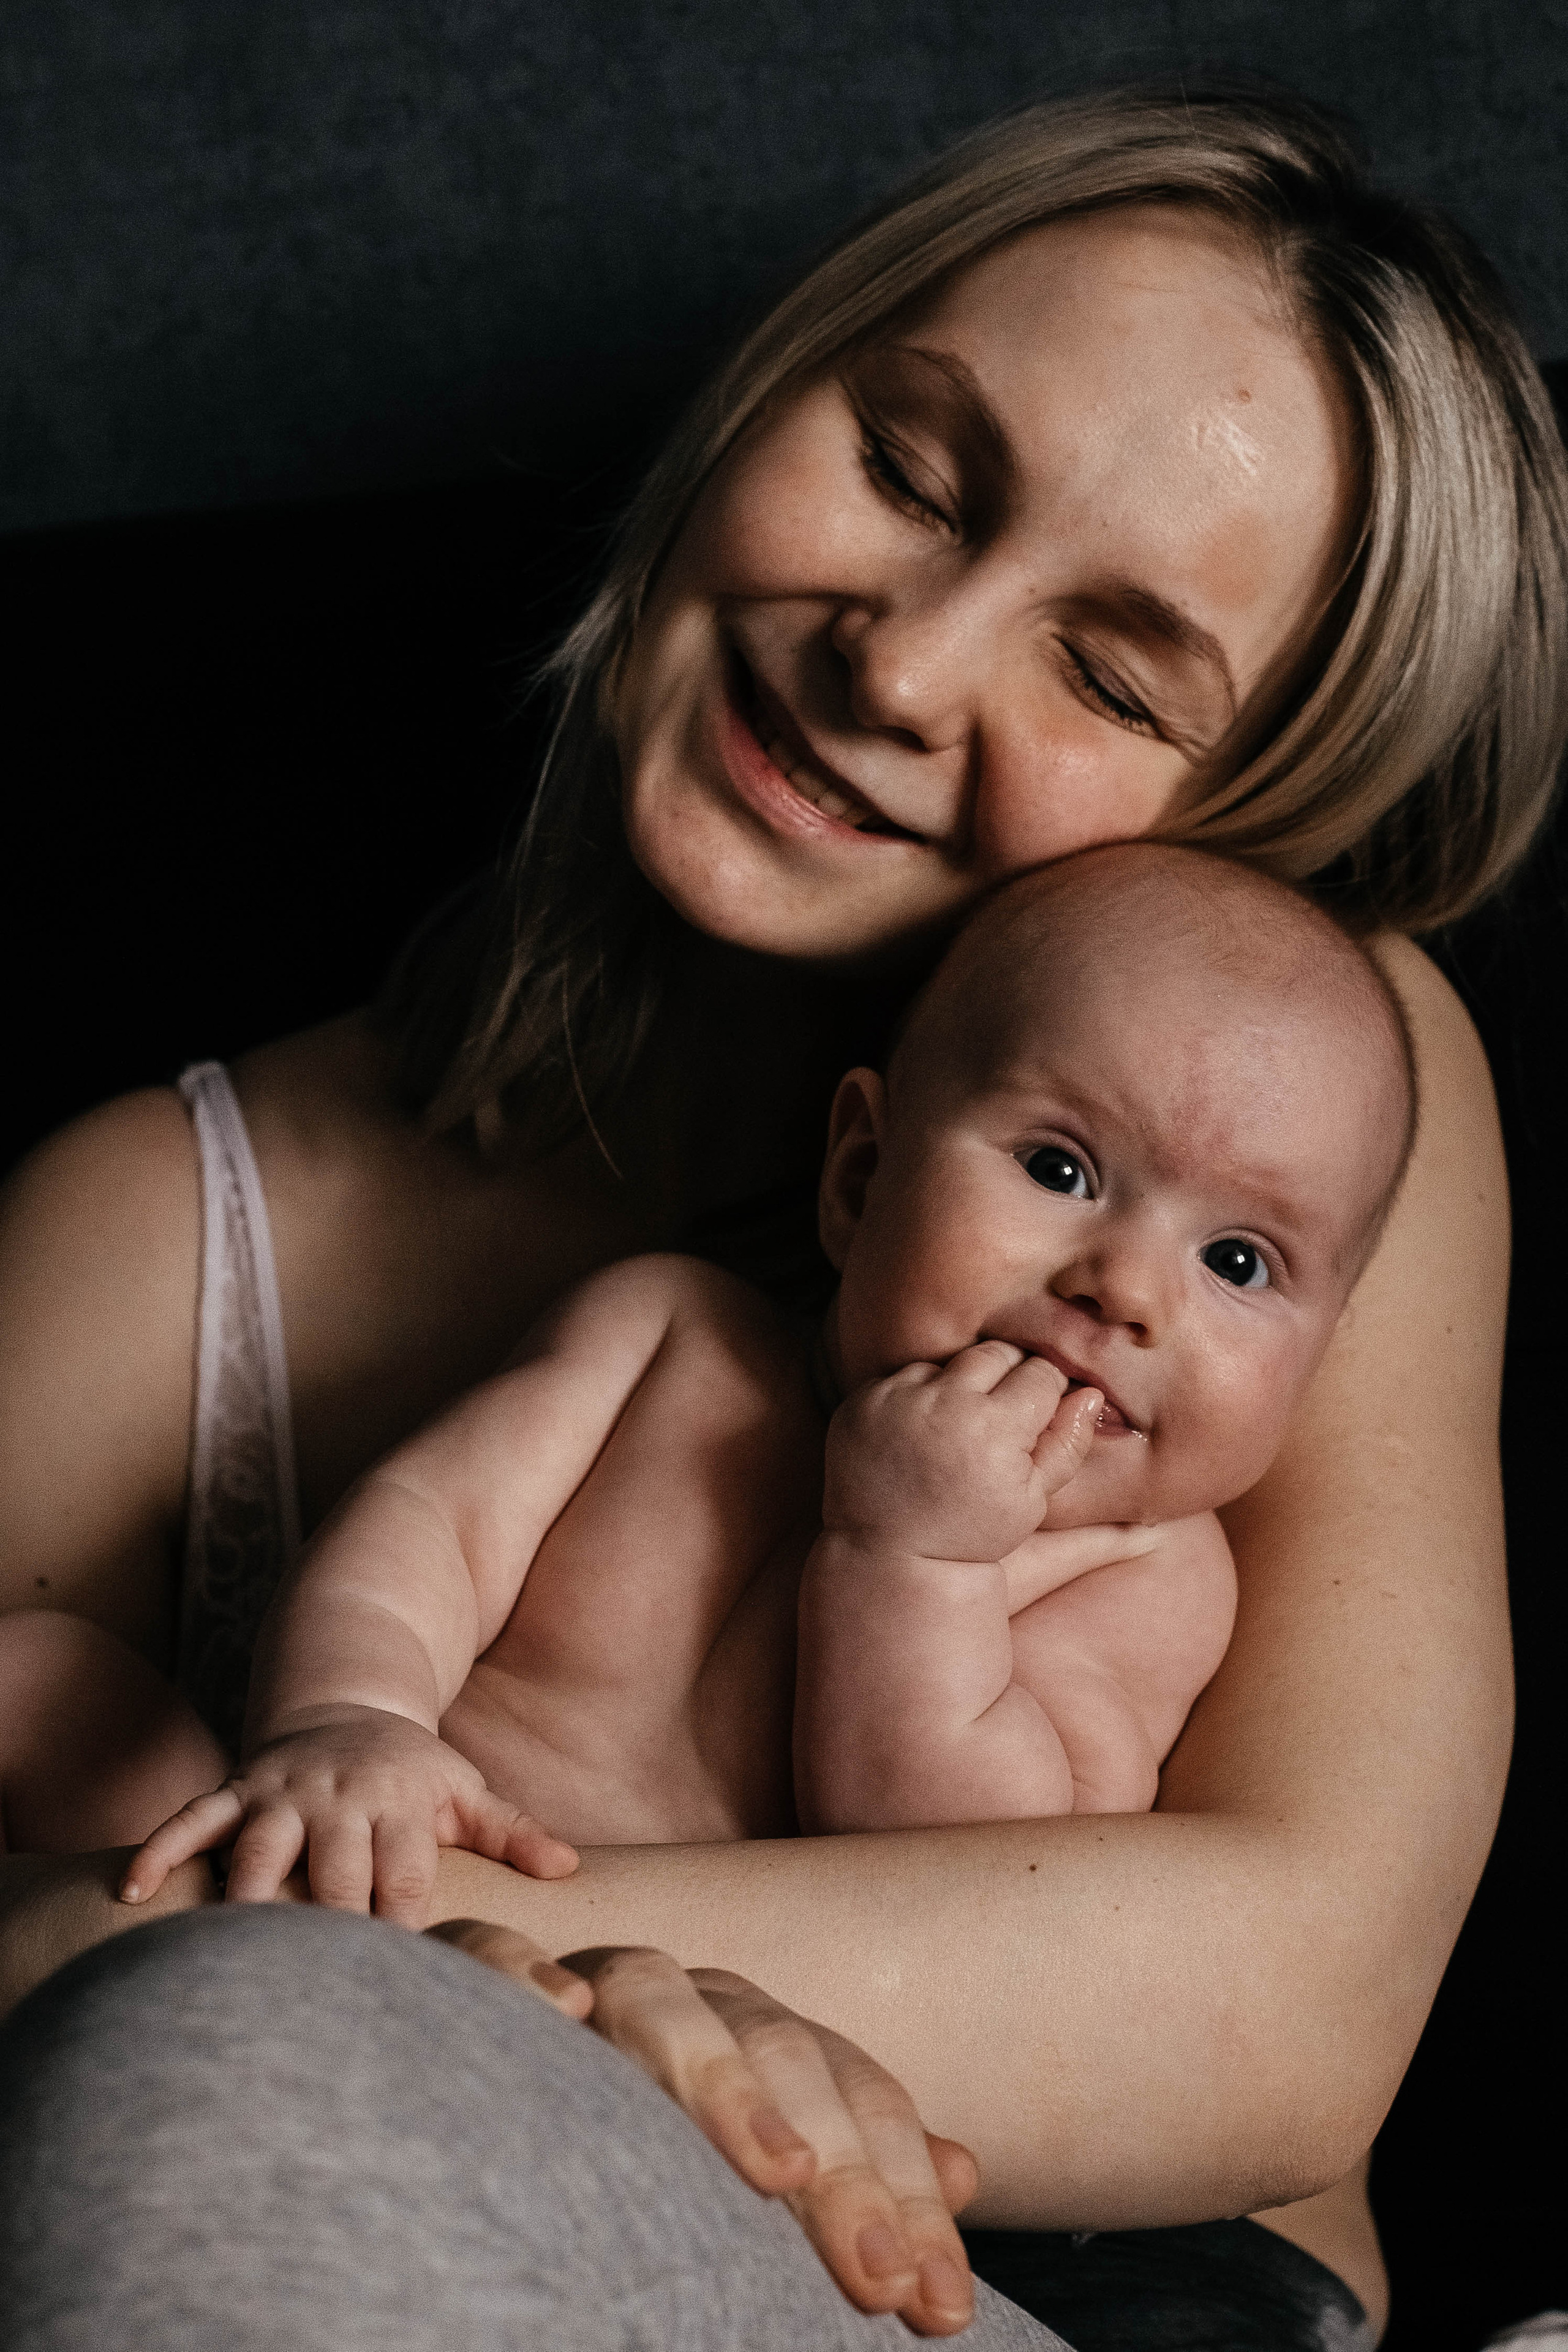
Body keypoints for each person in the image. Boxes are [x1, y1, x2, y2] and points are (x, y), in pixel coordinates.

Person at [2, 81, 1566, 2352]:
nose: (901, 666)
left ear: (1265, 818)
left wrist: (413, 1961)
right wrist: (497, 1979)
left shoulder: (1302, 1103)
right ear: (770, 385)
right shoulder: (157, 1234)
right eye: (910, 473)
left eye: (1111, 674)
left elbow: (1288, 2010)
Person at [1, 845, 1415, 1909]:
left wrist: (913, 1564)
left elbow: (969, 1882)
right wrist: (353, 1719)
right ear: (859, 1176)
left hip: (663, 2046)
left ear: (1324, 1348)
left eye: (1238, 1261)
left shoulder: (1142, 1577)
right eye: (1058, 1170)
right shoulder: (669, 1337)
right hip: (365, 1863)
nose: (1124, 1288)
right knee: (40, 1678)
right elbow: (431, 1527)